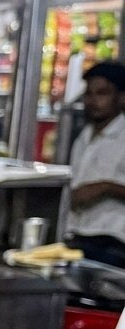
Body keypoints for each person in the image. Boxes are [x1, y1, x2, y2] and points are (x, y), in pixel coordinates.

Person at [66, 60, 125, 270]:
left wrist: (106, 188)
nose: (93, 101)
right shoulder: (84, 136)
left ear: (121, 97)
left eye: (102, 93)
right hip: (76, 234)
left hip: (113, 242)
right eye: (89, 94)